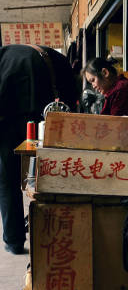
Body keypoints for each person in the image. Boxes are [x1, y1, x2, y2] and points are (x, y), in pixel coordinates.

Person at [0, 44, 79, 254]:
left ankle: (14, 239)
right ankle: (56, 233)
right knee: (49, 172)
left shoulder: (5, 57)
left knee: (7, 177)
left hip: (7, 118)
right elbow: (71, 97)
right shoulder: (54, 57)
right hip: (45, 115)